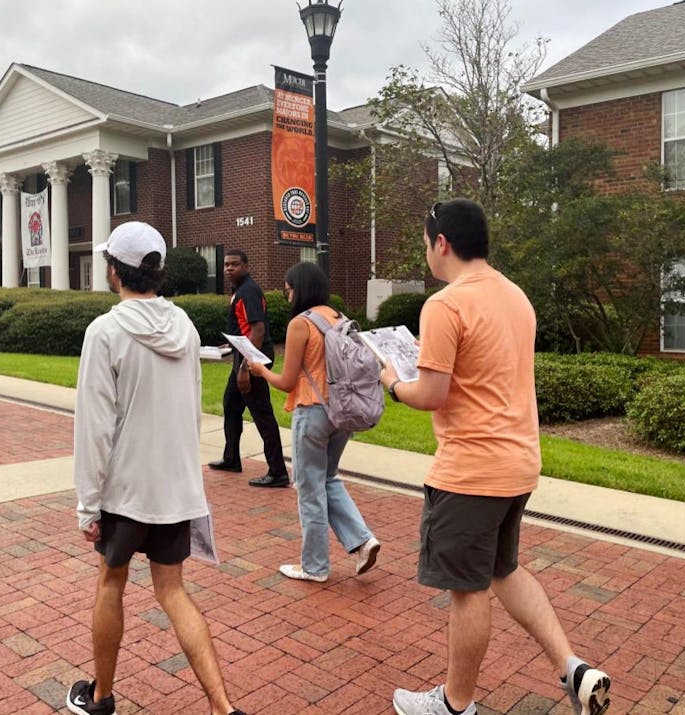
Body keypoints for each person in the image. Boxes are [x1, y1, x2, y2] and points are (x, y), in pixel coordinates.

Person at [382, 199, 611, 715]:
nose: (427, 254)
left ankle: (454, 705)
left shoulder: (445, 304)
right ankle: (572, 668)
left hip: (470, 470)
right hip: (518, 463)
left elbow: (432, 394)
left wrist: (394, 383)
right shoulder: (516, 297)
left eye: (426, 244)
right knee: (503, 571)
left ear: (442, 243)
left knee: (468, 590)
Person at [68, 222, 245, 715]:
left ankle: (101, 696)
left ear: (114, 270)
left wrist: (88, 504)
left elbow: (95, 426)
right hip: (174, 485)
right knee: (173, 591)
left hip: (125, 488)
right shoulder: (185, 328)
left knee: (111, 581)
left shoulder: (104, 332)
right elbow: (191, 410)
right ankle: (222, 706)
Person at [248, 262, 380, 582]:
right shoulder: (339, 319)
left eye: (288, 287)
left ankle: (315, 566)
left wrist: (261, 370)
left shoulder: (301, 324)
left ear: (300, 288)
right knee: (328, 478)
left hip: (312, 411)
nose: (287, 293)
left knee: (309, 489)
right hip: (342, 413)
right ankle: (363, 540)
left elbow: (287, 380)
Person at [208, 249, 290, 488]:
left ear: (246, 266)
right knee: (231, 405)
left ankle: (278, 471)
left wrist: (246, 367)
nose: (229, 269)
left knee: (262, 414)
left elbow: (258, 330)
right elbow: (244, 328)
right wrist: (232, 340)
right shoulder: (239, 291)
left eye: (234, 264)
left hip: (253, 359)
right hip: (243, 353)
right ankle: (231, 458)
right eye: (226, 265)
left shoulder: (249, 291)